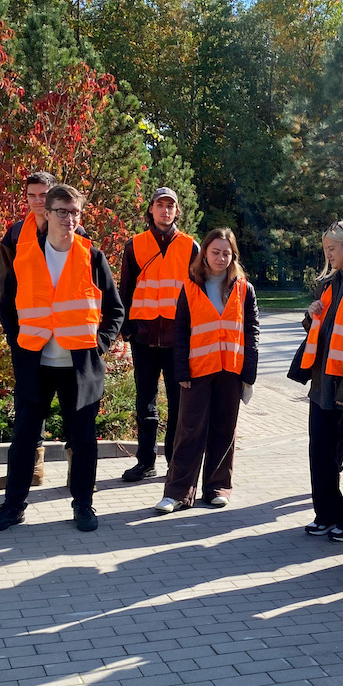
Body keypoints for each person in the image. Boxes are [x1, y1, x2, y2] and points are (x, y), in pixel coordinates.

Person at [0, 185, 125, 533]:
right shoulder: (25, 254)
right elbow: (7, 306)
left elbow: (115, 310)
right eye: (62, 211)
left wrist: (99, 345)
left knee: (84, 440)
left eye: (75, 212)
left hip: (79, 367)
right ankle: (13, 506)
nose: (69, 219)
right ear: (46, 213)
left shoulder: (92, 257)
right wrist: (18, 346)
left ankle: (83, 505)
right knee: (23, 439)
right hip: (36, 365)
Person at [153, 228, 259, 512]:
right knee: (188, 432)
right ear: (205, 254)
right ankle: (177, 493)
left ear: (233, 256)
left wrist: (249, 374)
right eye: (215, 252)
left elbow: (251, 332)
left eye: (227, 253)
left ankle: (218, 487)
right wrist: (181, 373)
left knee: (224, 430)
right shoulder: (189, 287)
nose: (221, 258)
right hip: (198, 371)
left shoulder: (244, 288)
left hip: (230, 371)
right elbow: (180, 332)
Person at [291, 221, 343, 540]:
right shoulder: (329, 284)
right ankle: (326, 512)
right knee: (322, 450)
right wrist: (310, 315)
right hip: (323, 383)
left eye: (332, 248)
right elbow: (320, 331)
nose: (327, 254)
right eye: (326, 248)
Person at [119, 187, 200, 483]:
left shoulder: (191, 246)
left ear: (177, 211)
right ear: (150, 209)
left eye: (171, 206)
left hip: (178, 339)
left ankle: (174, 461)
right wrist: (126, 328)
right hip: (144, 335)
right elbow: (125, 289)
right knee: (145, 403)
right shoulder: (135, 245)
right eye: (160, 205)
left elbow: (199, 292)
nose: (165, 210)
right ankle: (145, 461)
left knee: (178, 404)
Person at [0, 170, 58, 491]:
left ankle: (79, 475)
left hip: (66, 337)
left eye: (43, 195)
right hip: (29, 337)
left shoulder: (75, 230)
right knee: (28, 404)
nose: (37, 201)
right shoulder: (16, 234)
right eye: (32, 195)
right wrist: (12, 332)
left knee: (75, 405)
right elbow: (6, 289)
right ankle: (31, 470)